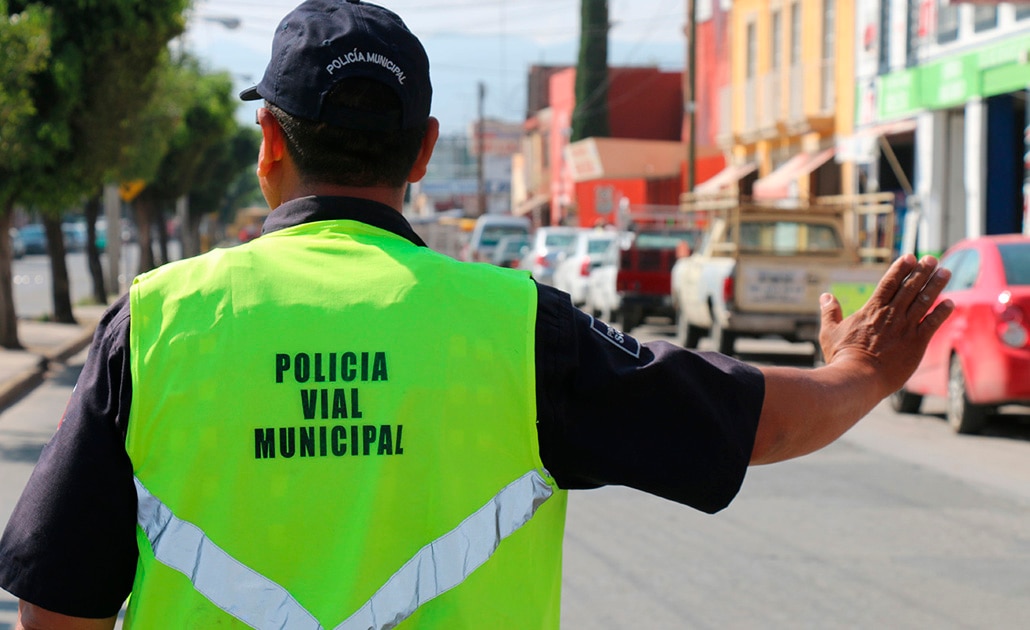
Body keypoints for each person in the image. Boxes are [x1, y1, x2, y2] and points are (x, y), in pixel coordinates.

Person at [0, 1, 954, 628]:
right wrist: (860, 371)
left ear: (267, 146)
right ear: (423, 152)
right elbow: (753, 423)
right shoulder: (517, 326)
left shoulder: (159, 322)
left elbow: (56, 613)